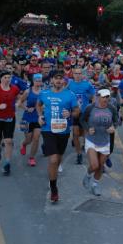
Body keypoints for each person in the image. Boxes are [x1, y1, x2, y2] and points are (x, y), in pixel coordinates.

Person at [36, 70, 80, 203]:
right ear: (51, 81)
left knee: (58, 159)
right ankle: (54, 188)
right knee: (54, 160)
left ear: (64, 81)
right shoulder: (44, 93)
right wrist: (40, 116)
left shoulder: (70, 95)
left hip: (63, 131)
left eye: (61, 79)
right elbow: (38, 105)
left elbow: (77, 111)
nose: (59, 81)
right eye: (56, 78)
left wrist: (70, 114)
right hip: (48, 129)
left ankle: (52, 175)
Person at [81, 88, 119, 196]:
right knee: (94, 165)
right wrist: (88, 128)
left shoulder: (111, 108)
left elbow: (117, 120)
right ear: (98, 97)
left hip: (105, 141)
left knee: (101, 166)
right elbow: (82, 120)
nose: (106, 99)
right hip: (92, 140)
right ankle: (87, 177)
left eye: (108, 97)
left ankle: (95, 185)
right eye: (104, 97)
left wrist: (113, 127)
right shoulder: (90, 107)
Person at [67, 67, 95, 165]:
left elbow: (94, 95)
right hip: (74, 112)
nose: (78, 75)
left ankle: (85, 145)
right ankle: (79, 154)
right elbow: (65, 95)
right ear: (73, 74)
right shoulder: (69, 84)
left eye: (79, 73)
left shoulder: (87, 84)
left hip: (84, 113)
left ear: (82, 75)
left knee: (83, 133)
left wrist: (93, 106)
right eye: (76, 73)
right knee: (75, 134)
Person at [18, 73, 43, 166]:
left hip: (38, 117)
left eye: (40, 81)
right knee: (28, 139)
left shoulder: (44, 92)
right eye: (36, 80)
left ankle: (31, 158)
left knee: (36, 138)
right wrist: (27, 108)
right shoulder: (28, 91)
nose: (38, 82)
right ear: (33, 81)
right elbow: (19, 103)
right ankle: (24, 144)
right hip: (27, 117)